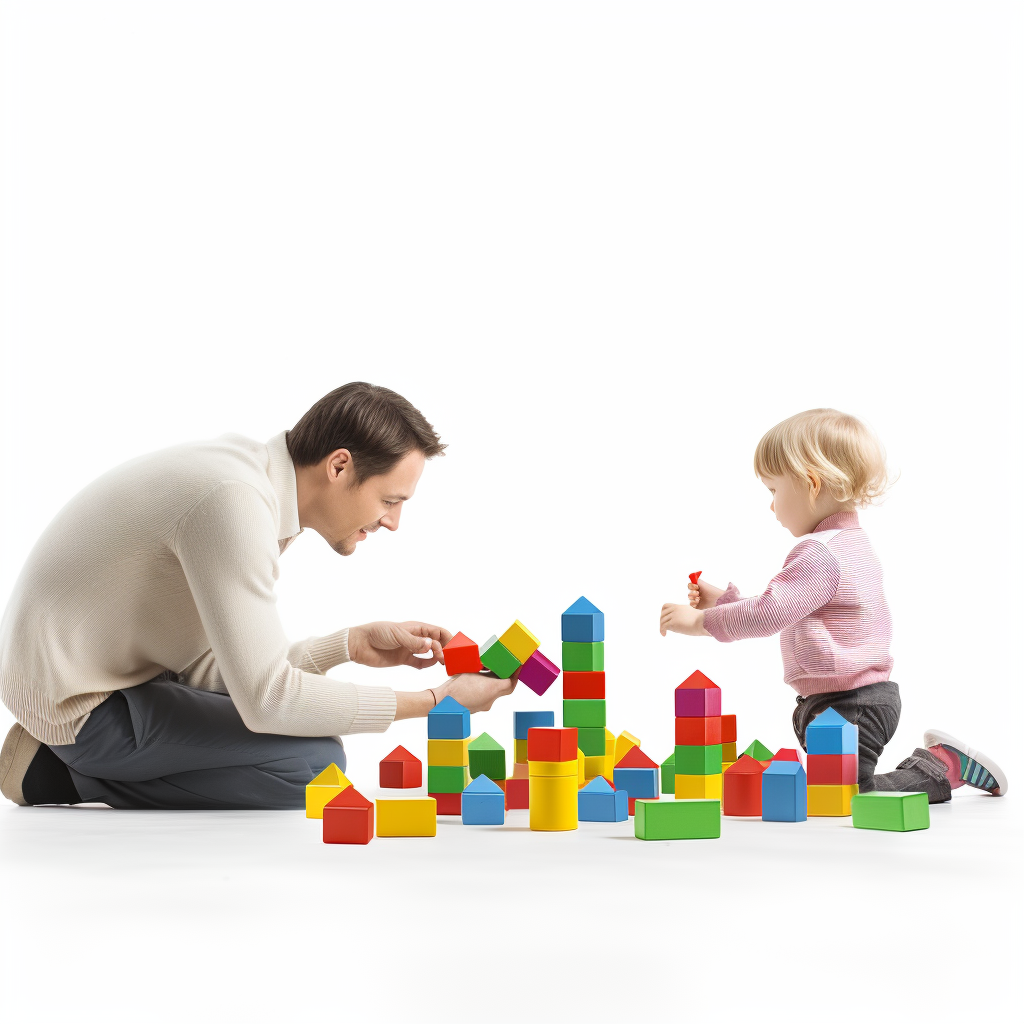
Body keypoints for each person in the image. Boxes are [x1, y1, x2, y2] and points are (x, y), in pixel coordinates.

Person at [0, 382, 515, 809]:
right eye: (389, 499)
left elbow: (226, 672)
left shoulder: (251, 479)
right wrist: (434, 703)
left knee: (312, 746)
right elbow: (267, 700)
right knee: (316, 767)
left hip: (113, 674)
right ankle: (54, 773)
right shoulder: (235, 505)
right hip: (81, 704)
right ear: (339, 466)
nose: (393, 522)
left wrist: (347, 646)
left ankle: (72, 759)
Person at [659, 408, 1007, 802]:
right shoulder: (847, 544)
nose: (771, 507)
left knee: (848, 794)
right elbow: (791, 604)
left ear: (810, 484)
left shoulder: (819, 553)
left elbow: (772, 612)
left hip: (851, 706)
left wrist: (702, 620)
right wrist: (726, 601)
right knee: (828, 790)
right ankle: (753, 774)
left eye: (774, 491)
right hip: (844, 702)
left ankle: (942, 767)